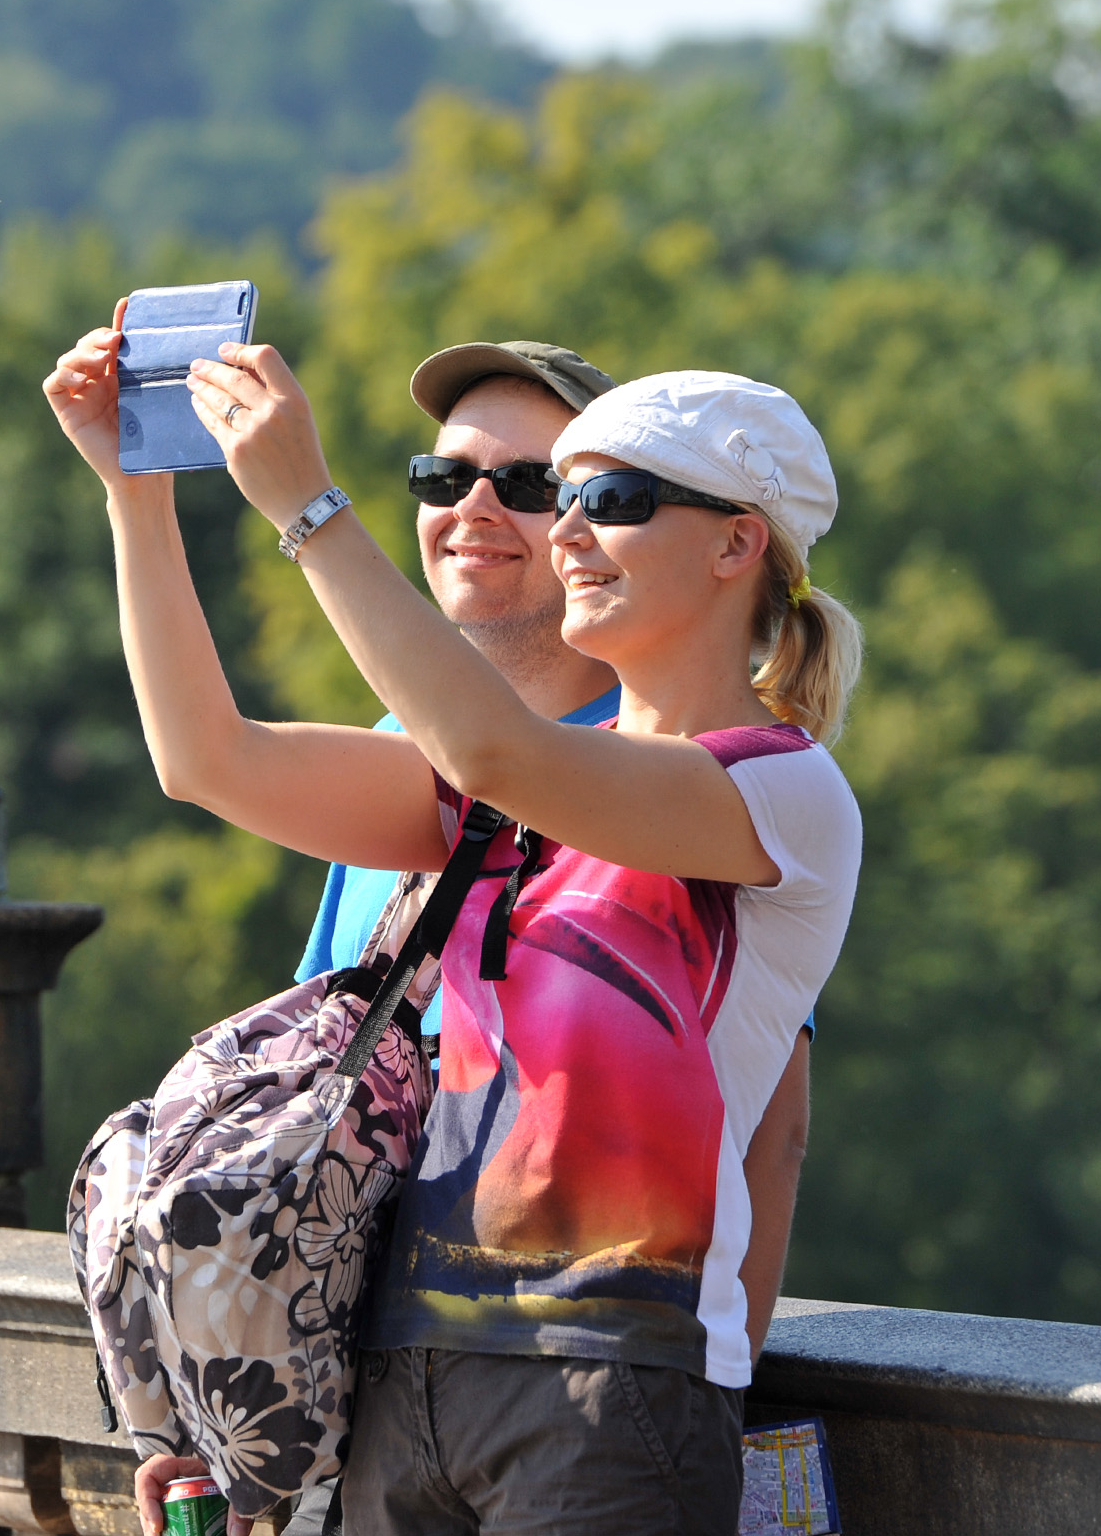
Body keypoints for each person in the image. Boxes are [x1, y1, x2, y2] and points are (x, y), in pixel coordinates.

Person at [45, 313, 863, 1535]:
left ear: (738, 543)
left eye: (611, 499)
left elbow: (496, 750)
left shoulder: (776, 789)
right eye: (566, 499)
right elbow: (207, 760)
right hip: (407, 1373)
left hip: (605, 1377)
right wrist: (134, 495)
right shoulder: (502, 790)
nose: (567, 535)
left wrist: (312, 510)